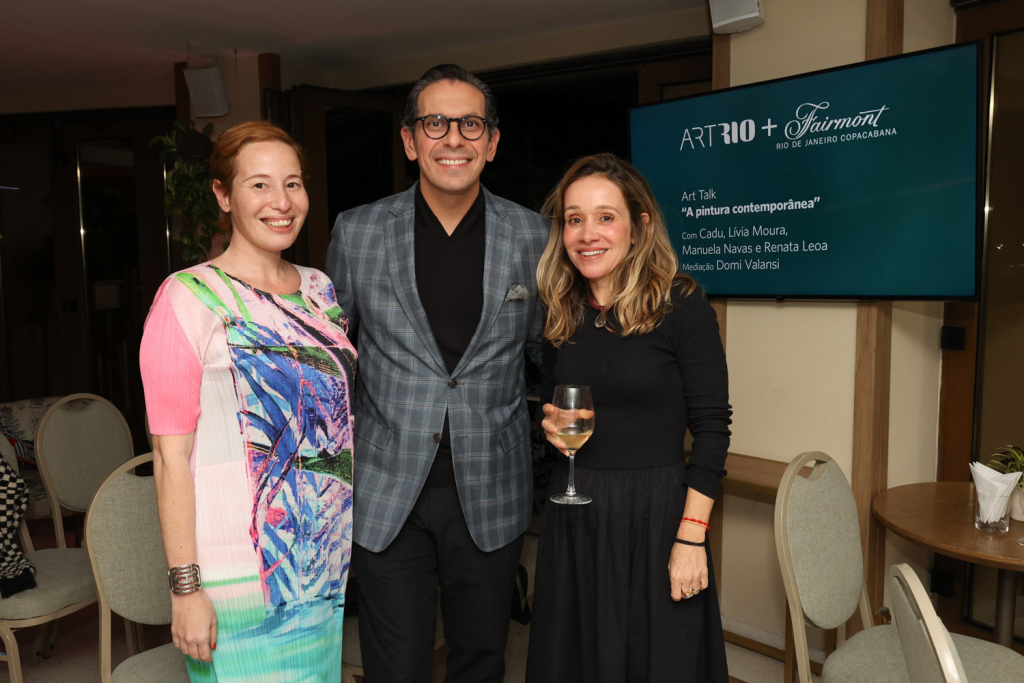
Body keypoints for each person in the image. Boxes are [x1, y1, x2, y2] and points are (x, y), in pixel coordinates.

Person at [326, 64, 547, 682]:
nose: (454, 138)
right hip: (386, 489)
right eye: (435, 123)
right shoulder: (358, 231)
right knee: (396, 667)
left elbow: (546, 352)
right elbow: (334, 358)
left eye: (470, 124)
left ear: (493, 142)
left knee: (481, 660)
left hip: (492, 486)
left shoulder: (533, 236)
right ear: (409, 140)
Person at [141, 122, 357, 682]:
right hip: (236, 578)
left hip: (324, 562)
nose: (281, 203)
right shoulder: (187, 299)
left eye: (293, 184)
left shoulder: (318, 289)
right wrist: (186, 590)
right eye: (259, 186)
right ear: (222, 195)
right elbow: (169, 460)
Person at [525, 153, 732, 683]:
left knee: (656, 661)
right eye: (574, 219)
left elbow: (713, 427)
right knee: (575, 659)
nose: (587, 233)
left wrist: (691, 538)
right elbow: (556, 410)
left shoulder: (681, 304)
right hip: (576, 513)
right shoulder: (561, 311)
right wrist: (552, 430)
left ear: (639, 227)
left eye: (605, 216)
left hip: (657, 517)